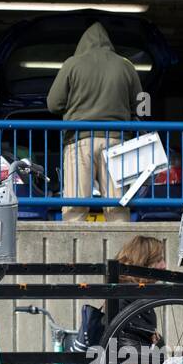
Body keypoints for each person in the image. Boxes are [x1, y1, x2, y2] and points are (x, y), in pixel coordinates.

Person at [46, 22, 140, 221]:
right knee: (117, 206)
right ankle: (122, 250)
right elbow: (143, 105)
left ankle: (72, 250)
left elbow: (53, 104)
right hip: (117, 140)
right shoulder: (126, 65)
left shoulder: (72, 63)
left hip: (79, 140)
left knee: (75, 206)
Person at [110, 235, 167, 364]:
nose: (164, 266)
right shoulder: (124, 291)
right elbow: (121, 328)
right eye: (159, 260)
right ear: (144, 263)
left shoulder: (137, 292)